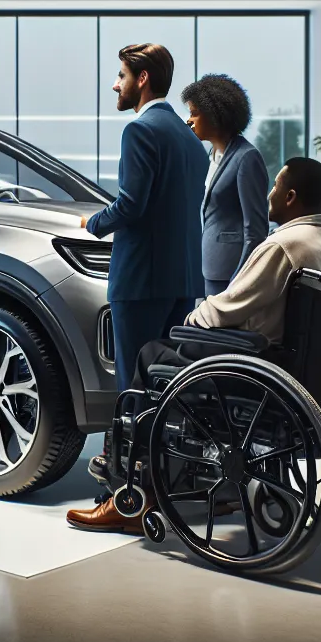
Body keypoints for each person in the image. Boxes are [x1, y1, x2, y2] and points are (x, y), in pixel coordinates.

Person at [68, 157, 321, 534]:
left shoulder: (285, 246)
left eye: (275, 187)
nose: (269, 194)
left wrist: (192, 320)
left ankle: (135, 495)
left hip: (259, 370)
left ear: (290, 197)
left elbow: (229, 306)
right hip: (316, 377)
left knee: (151, 356)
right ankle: (213, 488)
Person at [79, 43, 207, 394]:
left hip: (140, 282)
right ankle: (159, 450)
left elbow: (131, 206)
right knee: (168, 384)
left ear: (143, 78)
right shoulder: (192, 141)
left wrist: (92, 223)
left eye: (122, 75)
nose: (116, 84)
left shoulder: (140, 131)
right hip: (183, 282)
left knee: (134, 383)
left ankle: (132, 450)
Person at [181, 74, 269, 297]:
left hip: (231, 274)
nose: (189, 120)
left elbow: (256, 230)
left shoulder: (247, 158)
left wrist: (240, 278)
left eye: (194, 113)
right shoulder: (212, 155)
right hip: (209, 268)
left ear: (215, 114)